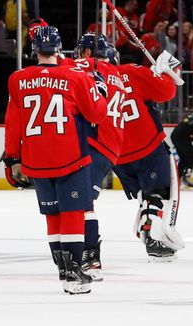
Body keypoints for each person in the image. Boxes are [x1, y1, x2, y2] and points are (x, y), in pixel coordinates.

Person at [3, 25, 107, 295]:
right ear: (60, 49)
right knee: (72, 212)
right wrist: (100, 88)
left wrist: (12, 157)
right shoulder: (76, 77)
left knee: (51, 212)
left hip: (36, 159)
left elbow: (13, 122)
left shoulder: (17, 79)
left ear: (34, 49)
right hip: (70, 156)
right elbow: (96, 115)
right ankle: (73, 272)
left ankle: (62, 267)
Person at [113, 50, 183, 261]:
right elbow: (165, 92)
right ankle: (154, 238)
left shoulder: (89, 79)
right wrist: (168, 72)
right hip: (147, 145)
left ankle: (148, 222)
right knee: (161, 192)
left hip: (116, 154)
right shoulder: (130, 71)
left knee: (147, 195)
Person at [70, 34, 124, 281]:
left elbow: (59, 67)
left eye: (81, 52)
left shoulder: (92, 67)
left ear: (89, 54)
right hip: (109, 147)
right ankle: (89, 256)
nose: (78, 56)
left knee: (81, 204)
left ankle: (91, 257)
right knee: (82, 202)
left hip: (96, 143)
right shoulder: (117, 75)